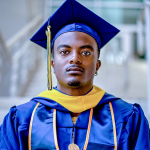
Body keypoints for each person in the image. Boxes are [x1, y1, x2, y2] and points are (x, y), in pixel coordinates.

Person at [0, 0, 150, 149]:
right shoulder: (21, 119)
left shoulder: (127, 118)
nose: (75, 58)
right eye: (64, 52)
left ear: (97, 65)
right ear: (52, 65)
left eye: (85, 52)